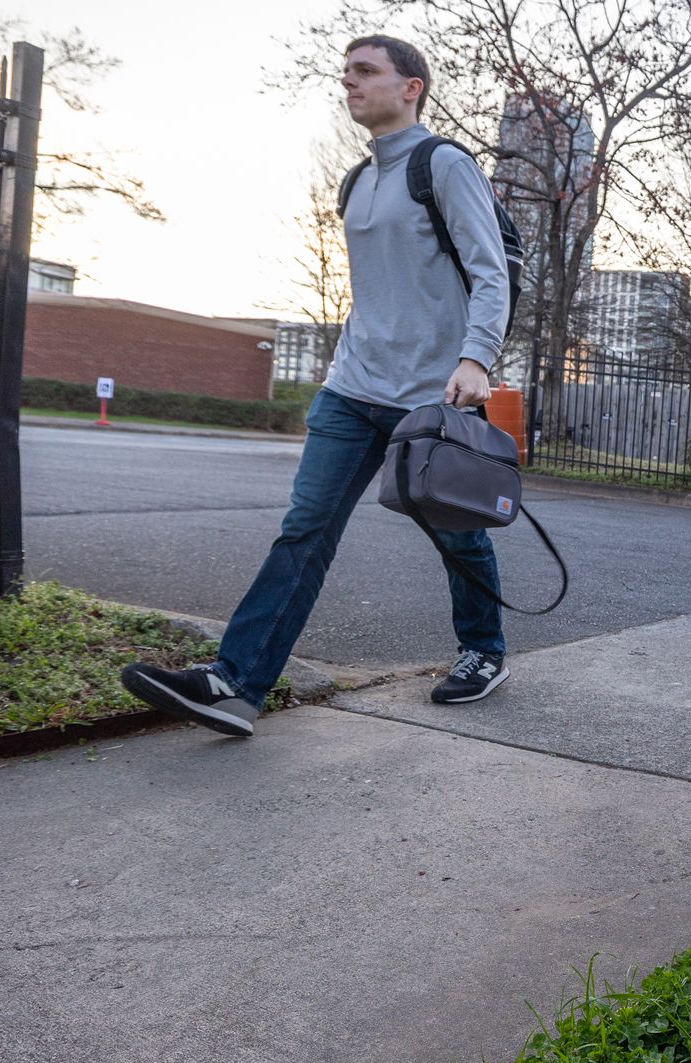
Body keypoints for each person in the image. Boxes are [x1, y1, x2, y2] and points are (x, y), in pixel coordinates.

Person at [122, 35, 514, 736]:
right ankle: (237, 684)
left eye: (366, 71)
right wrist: (346, 362)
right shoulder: (357, 181)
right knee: (305, 529)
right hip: (352, 388)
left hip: (434, 396)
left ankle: (484, 650)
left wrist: (476, 358)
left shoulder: (445, 165)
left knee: (456, 532)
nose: (349, 83)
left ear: (412, 87)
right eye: (346, 73)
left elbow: (490, 271)